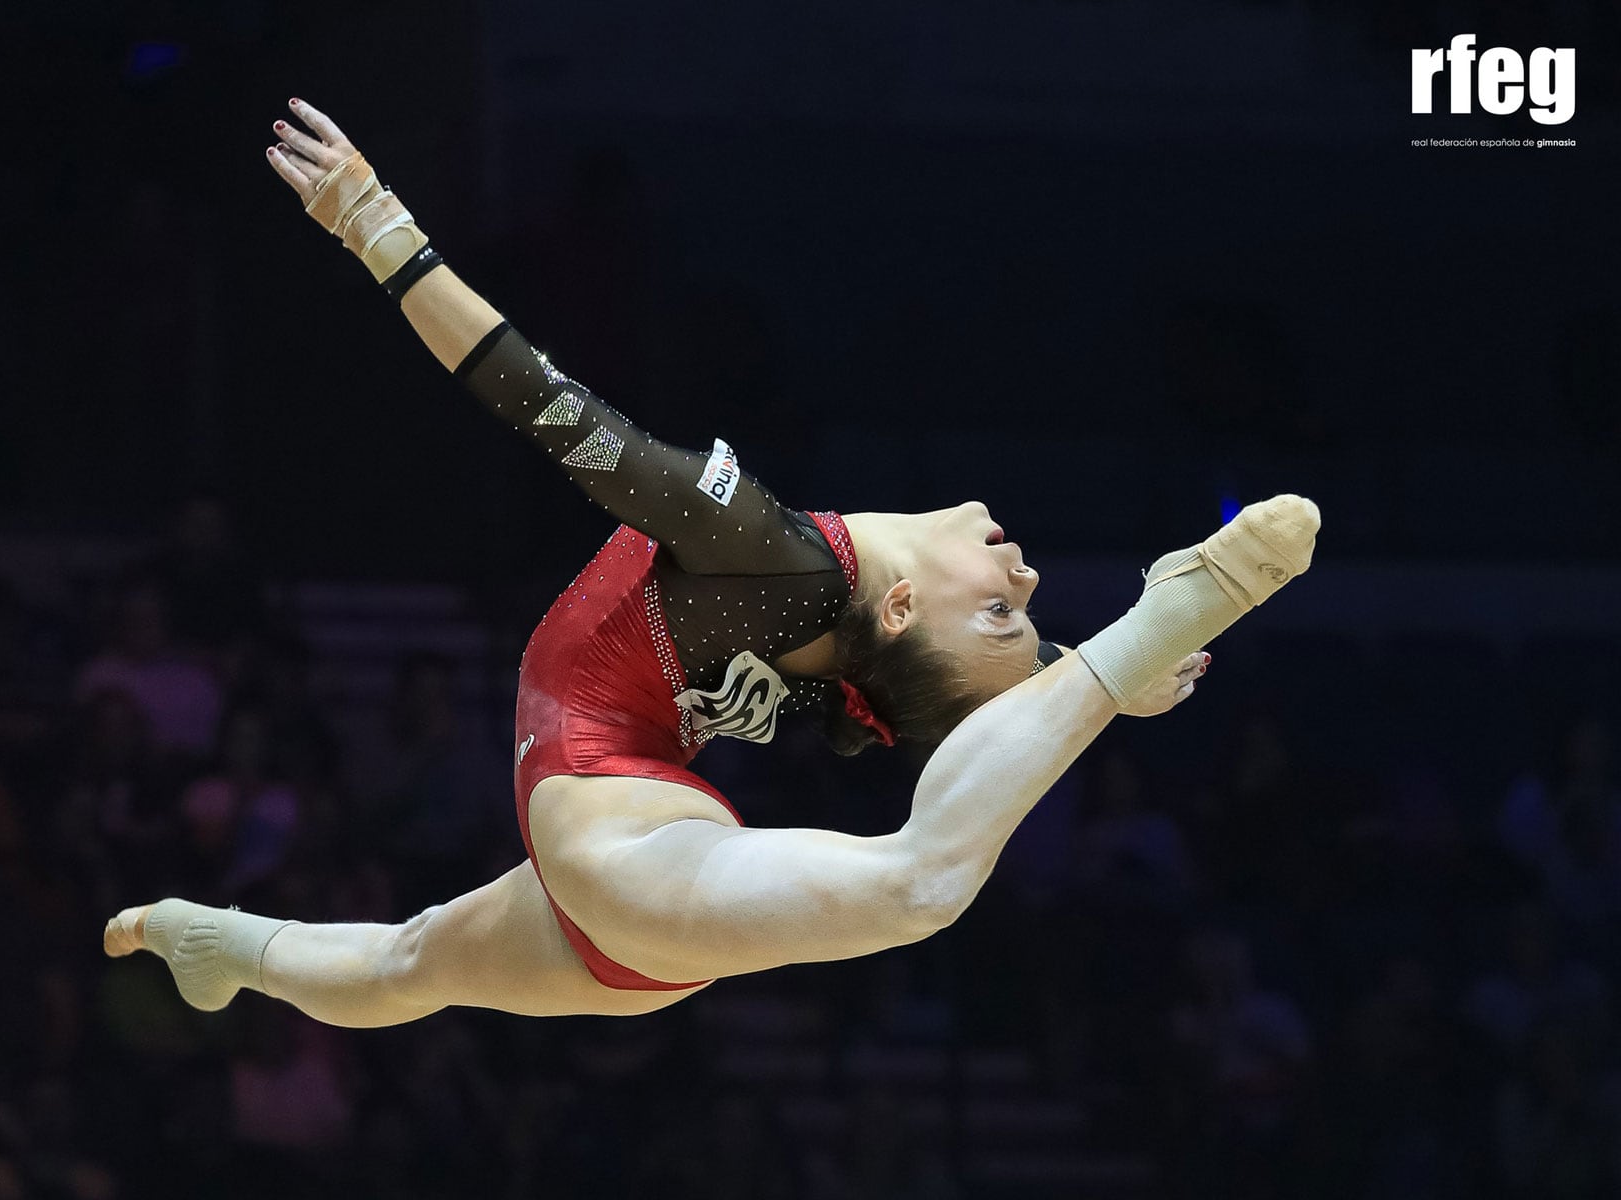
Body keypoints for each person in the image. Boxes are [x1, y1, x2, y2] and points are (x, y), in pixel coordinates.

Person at [105, 100, 1320, 1025]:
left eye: (1003, 612)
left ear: (902, 604)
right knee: (403, 962)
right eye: (1030, 615)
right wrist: (1071, 670)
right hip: (640, 879)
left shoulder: (771, 558)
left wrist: (383, 233)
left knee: (918, 886)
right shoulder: (832, 627)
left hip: (630, 858)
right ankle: (232, 945)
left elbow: (544, 403)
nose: (1029, 581)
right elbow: (951, 682)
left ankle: (1181, 606)